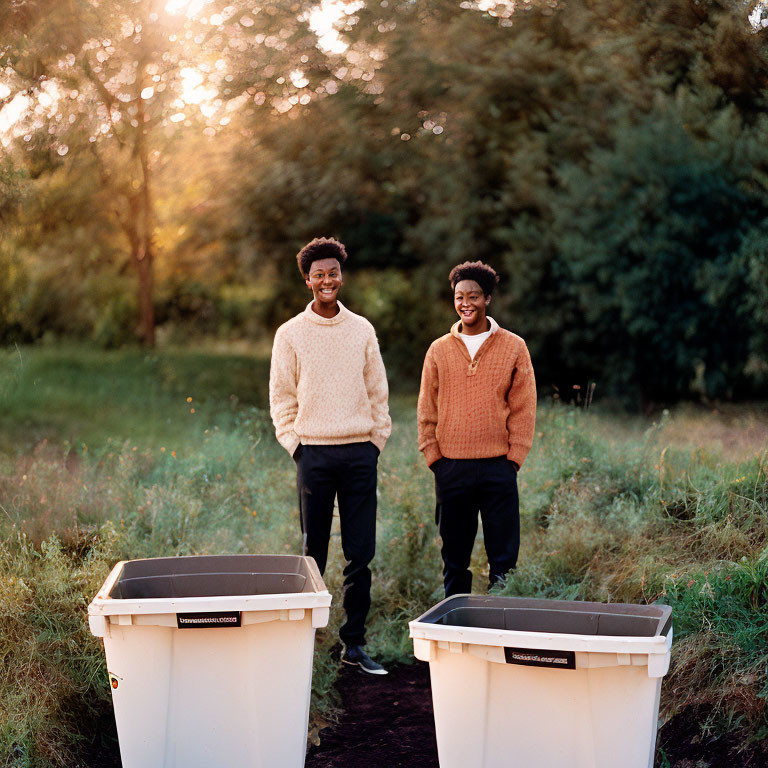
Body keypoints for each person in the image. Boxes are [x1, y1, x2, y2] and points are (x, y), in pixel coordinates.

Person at [269, 237, 391, 675]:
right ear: (307, 280)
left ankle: (353, 645)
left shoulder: (362, 330)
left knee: (361, 553)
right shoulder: (290, 334)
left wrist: (375, 441)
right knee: (313, 553)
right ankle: (308, 648)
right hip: (314, 455)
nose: (327, 280)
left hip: (359, 453)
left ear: (342, 276)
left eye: (333, 273)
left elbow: (378, 391)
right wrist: (295, 445)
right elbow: (281, 396)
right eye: (318, 274)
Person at [417, 260, 536, 597]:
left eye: (473, 296)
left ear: (487, 299)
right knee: (454, 559)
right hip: (451, 468)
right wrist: (434, 456)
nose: (465, 303)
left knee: (503, 560)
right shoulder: (439, 350)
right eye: (459, 297)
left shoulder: (514, 347)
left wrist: (514, 458)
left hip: (498, 467)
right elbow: (426, 406)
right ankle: (458, 628)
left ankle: (500, 631)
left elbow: (524, 406)